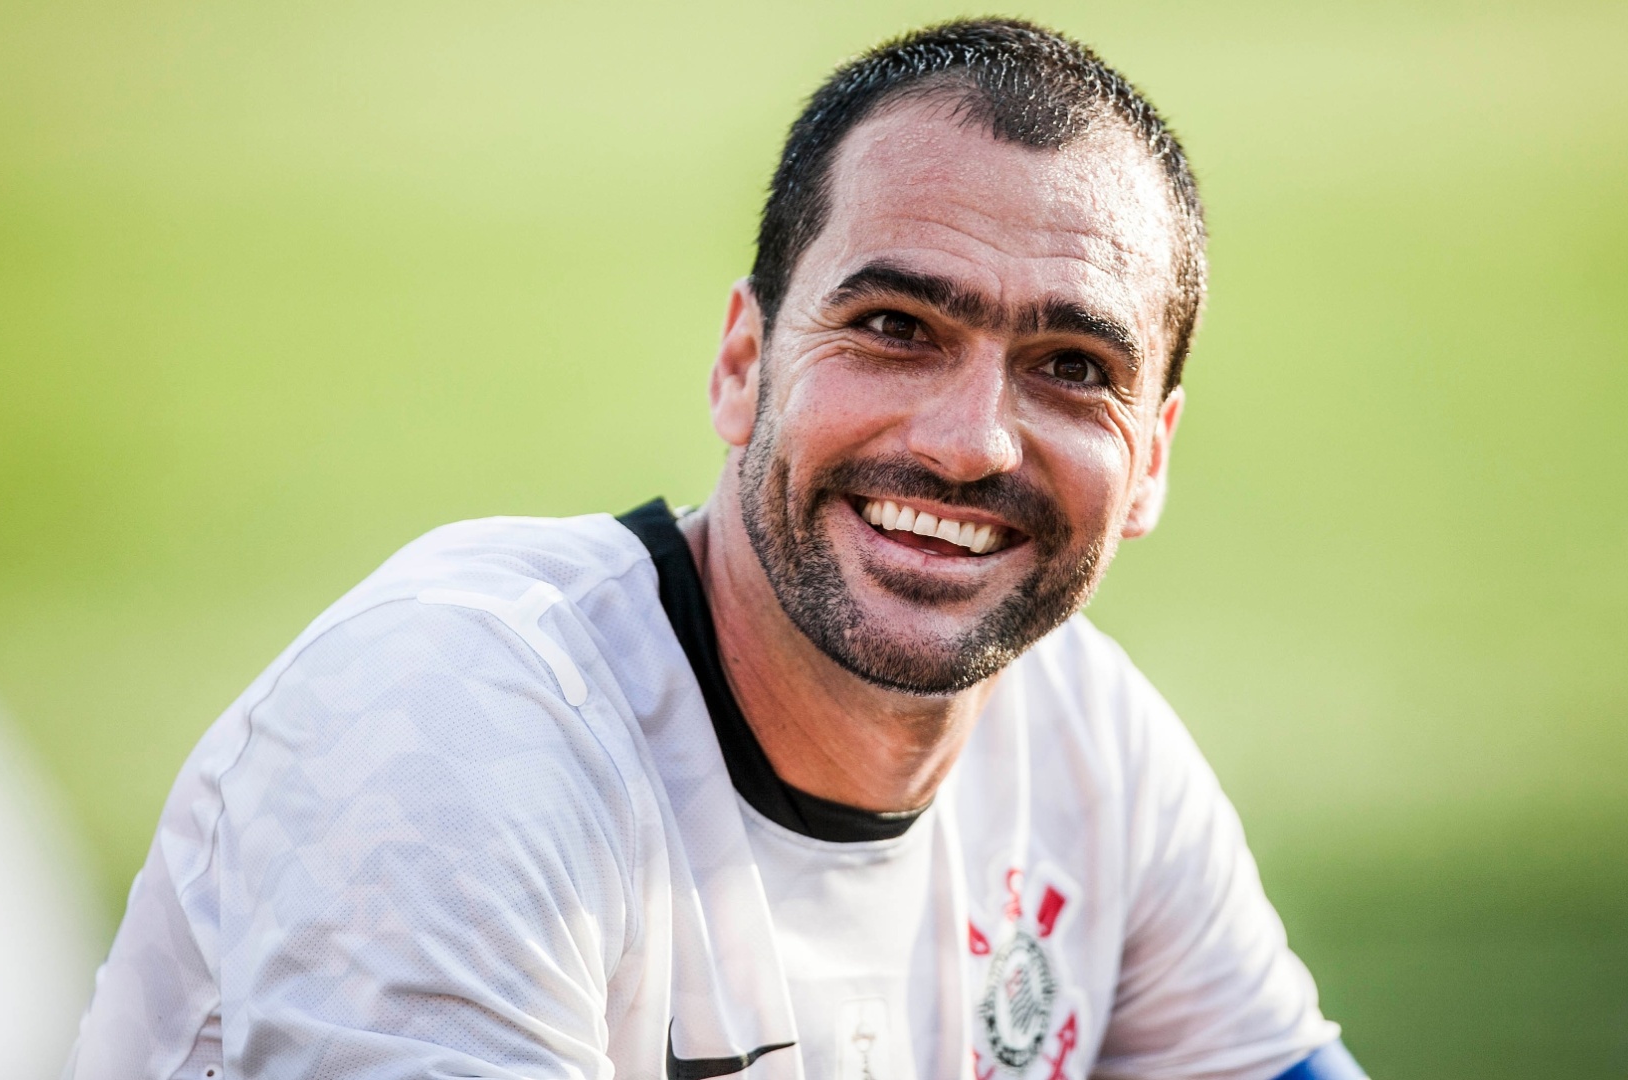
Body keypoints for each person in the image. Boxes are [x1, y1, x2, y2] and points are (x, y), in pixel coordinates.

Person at [67, 18, 1366, 1080]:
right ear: (745, 362)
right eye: (896, 326)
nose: (972, 443)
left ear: (1151, 458)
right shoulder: (455, 719)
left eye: (1073, 367)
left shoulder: (1089, 746)